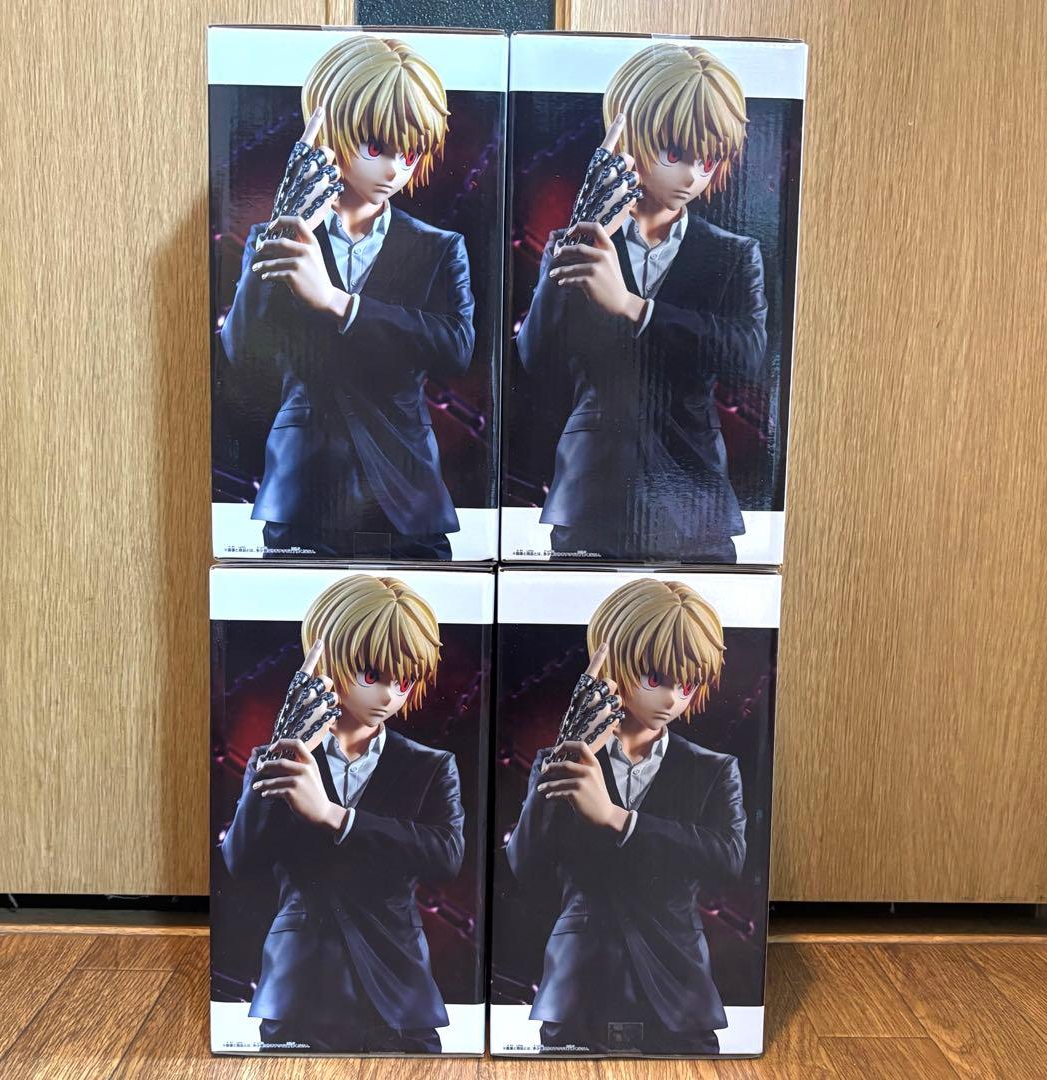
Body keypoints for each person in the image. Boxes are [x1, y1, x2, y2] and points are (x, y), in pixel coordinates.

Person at [220, 34, 475, 560]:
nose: (394, 169)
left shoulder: (439, 246)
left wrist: (340, 303)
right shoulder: (275, 236)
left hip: (407, 493)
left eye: (410, 153)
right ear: (329, 132)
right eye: (375, 148)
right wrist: (288, 220)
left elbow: (456, 348)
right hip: (302, 491)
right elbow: (240, 354)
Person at [516, 43, 768, 563]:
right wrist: (583, 230)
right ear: (630, 140)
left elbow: (748, 356)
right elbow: (533, 360)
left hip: (694, 498)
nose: (692, 176)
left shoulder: (733, 253)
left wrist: (635, 308)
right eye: (675, 155)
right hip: (591, 495)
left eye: (708, 160)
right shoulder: (576, 241)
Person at [221, 574, 464, 1053]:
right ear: (328, 661)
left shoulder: (431, 765)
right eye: (372, 676)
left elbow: (446, 857)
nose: (389, 695)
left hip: (398, 987)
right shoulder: (276, 757)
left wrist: (337, 817)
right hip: (299, 985)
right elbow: (240, 861)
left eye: (404, 681)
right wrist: (287, 743)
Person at [506, 577, 746, 1054]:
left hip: (679, 990)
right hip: (578, 986)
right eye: (655, 679)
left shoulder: (713, 769)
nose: (672, 698)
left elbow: (728, 859)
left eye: (687, 684)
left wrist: (619, 819)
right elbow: (523, 867)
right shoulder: (561, 759)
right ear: (614, 665)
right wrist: (572, 744)